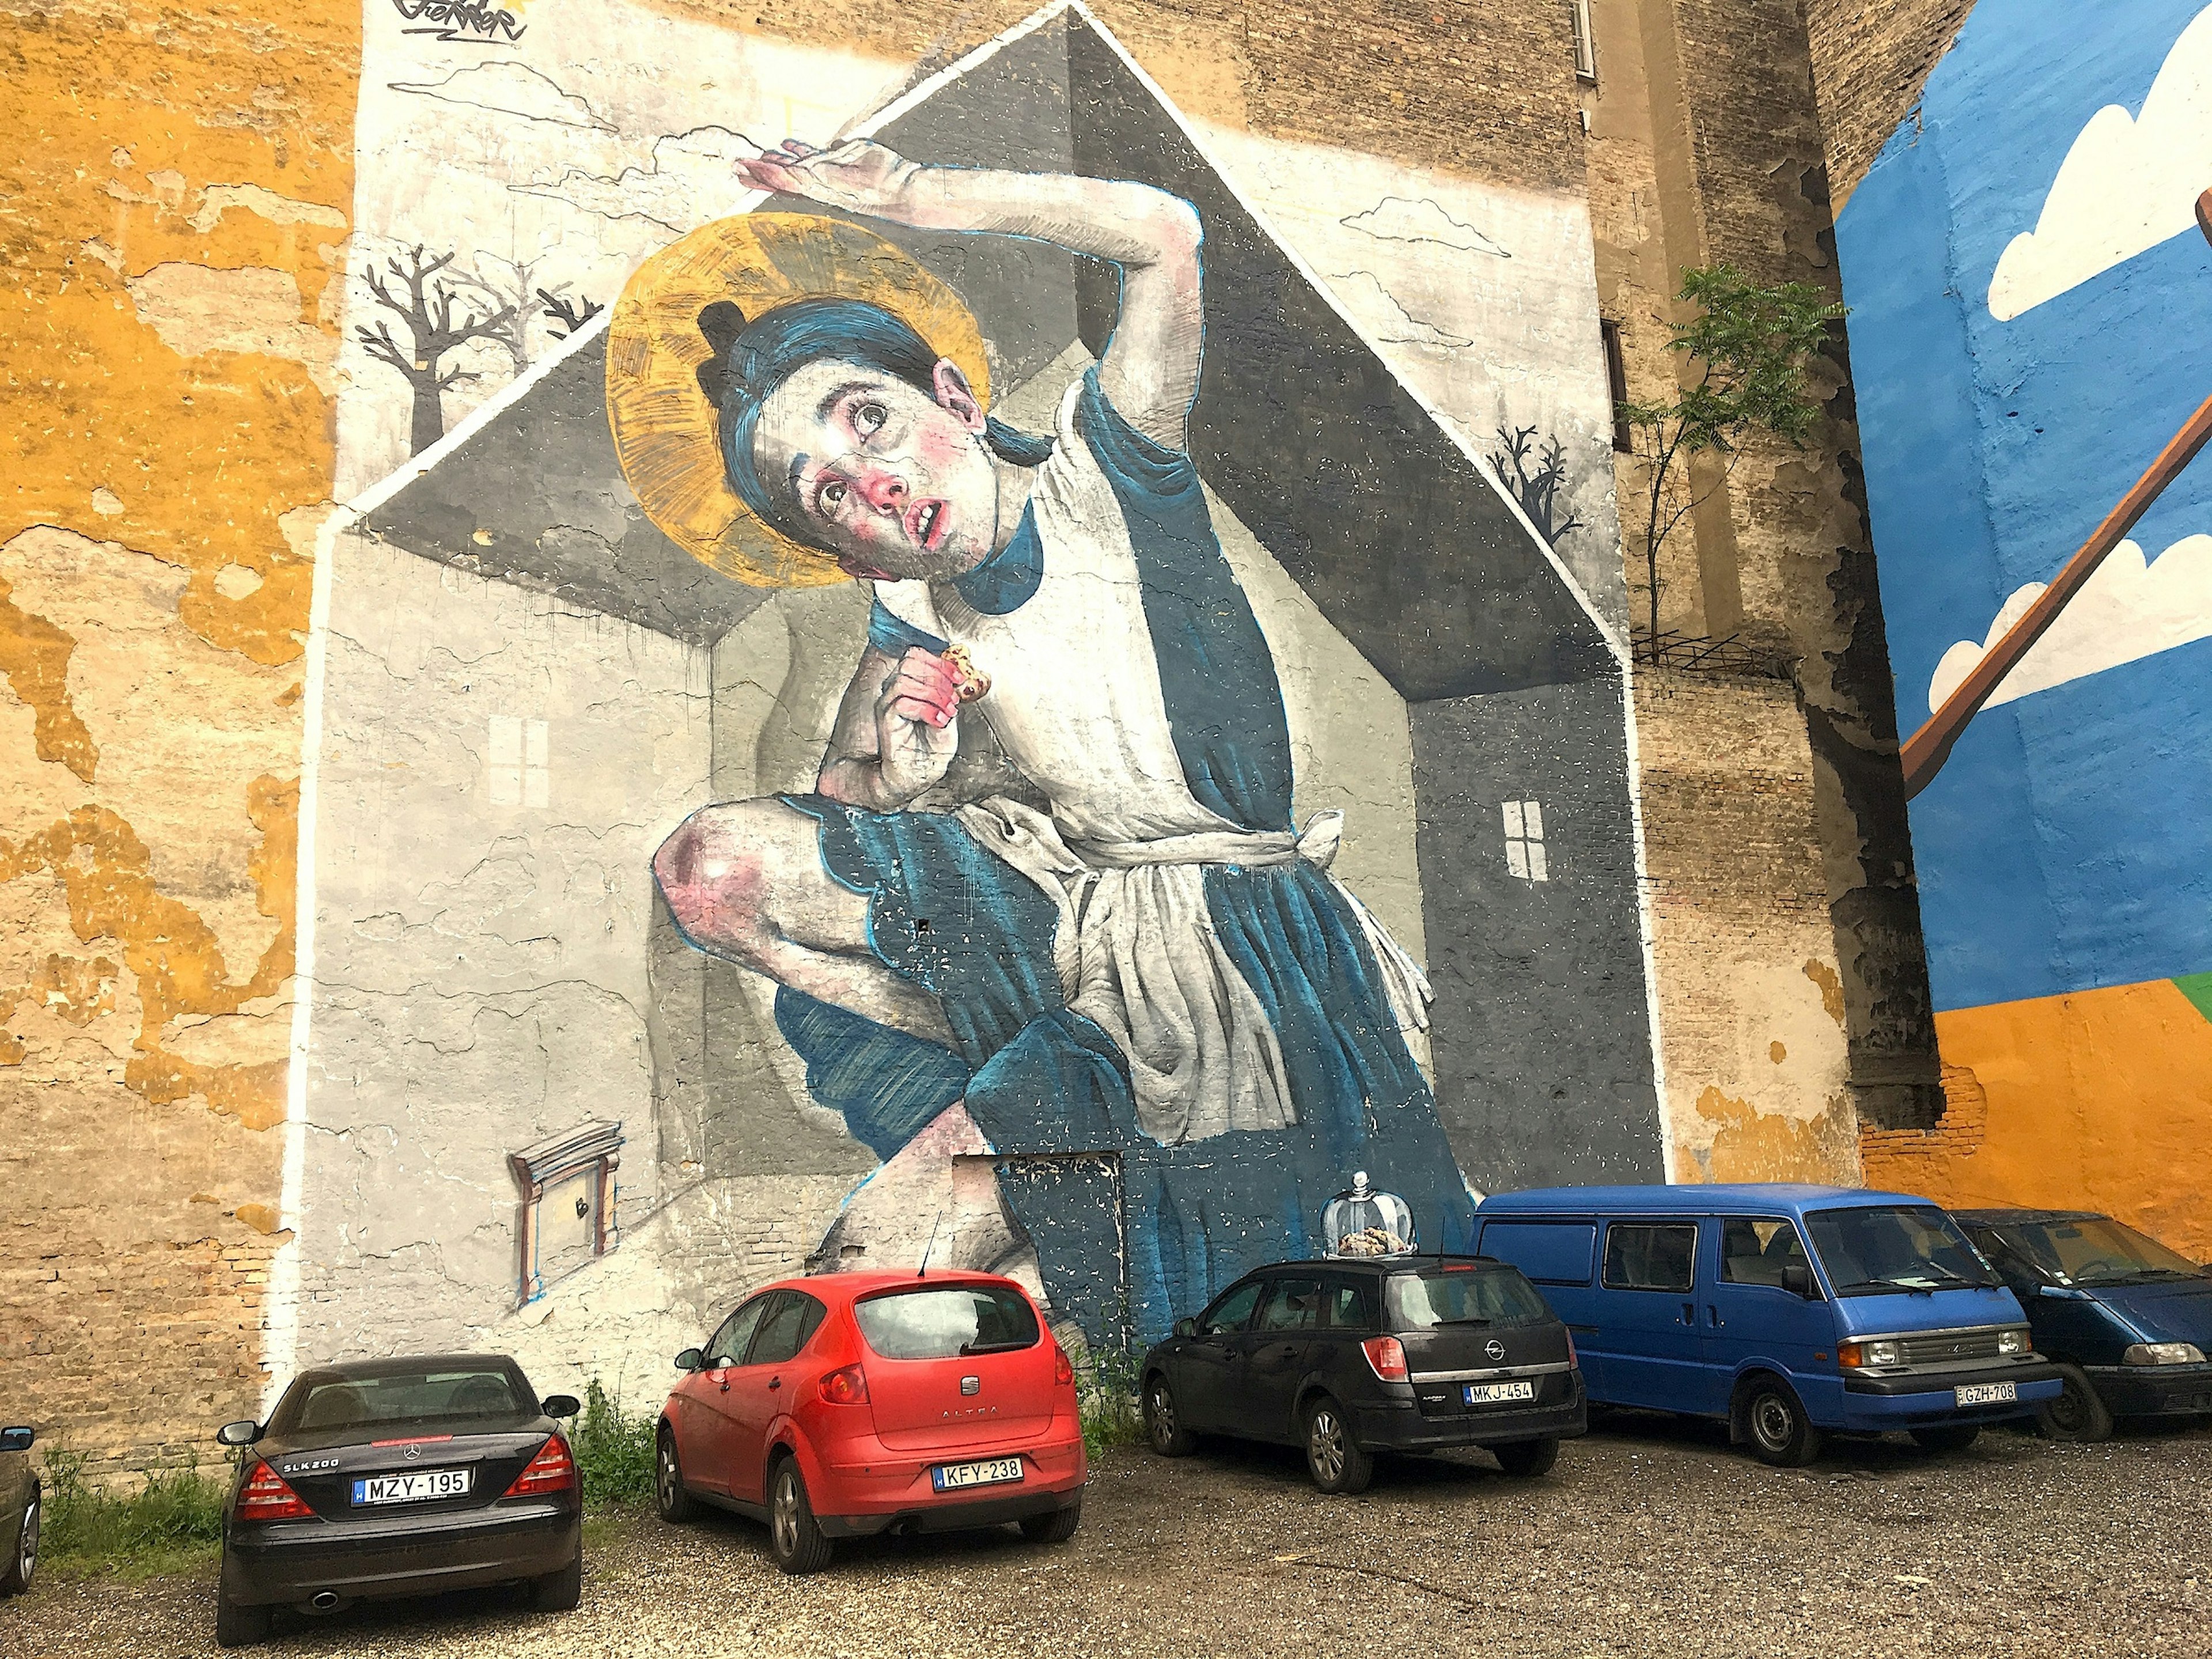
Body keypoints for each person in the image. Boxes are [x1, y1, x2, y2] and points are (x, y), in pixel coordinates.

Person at [649, 138, 1475, 1342]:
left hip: (1230, 942)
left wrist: (920, 195)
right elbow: (839, 810)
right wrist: (915, 780)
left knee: (932, 1250)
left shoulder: (1108, 474)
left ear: (955, 399)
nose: (868, 485)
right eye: (825, 492)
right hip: (1071, 929)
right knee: (708, 875)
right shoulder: (908, 610)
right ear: (844, 552)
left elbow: (1164, 236)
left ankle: (1045, 1169)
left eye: (867, 424)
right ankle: (1014, 1101)